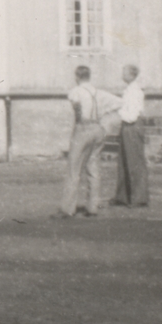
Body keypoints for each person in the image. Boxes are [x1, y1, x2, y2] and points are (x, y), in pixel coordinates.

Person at [58, 65, 120, 218]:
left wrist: (79, 123)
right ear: (89, 76)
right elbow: (120, 102)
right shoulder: (99, 93)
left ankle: (67, 209)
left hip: (83, 128)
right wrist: (103, 116)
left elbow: (76, 108)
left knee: (74, 168)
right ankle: (92, 208)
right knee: (93, 168)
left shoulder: (76, 91)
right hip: (98, 128)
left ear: (77, 77)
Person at [112, 65, 149, 207]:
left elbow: (132, 114)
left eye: (124, 72)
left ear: (131, 75)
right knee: (123, 161)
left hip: (132, 125)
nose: (122, 74)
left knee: (135, 161)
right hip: (126, 125)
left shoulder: (135, 91)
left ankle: (138, 198)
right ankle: (123, 197)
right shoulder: (128, 90)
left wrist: (120, 113)